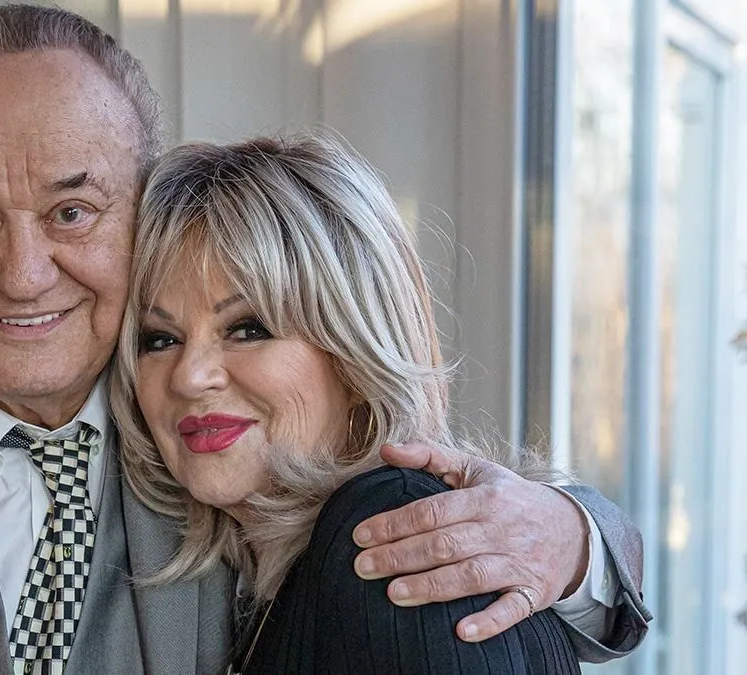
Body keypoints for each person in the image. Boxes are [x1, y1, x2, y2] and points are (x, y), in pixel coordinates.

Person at [0, 5, 648, 674]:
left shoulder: (238, 449)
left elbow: (422, 539)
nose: (23, 271)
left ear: (141, 210)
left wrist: (576, 541)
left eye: (72, 210)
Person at [114, 132, 617, 673]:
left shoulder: (394, 540)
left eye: (248, 329)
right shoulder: (265, 581)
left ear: (355, 353)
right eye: (160, 339)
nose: (190, 377)